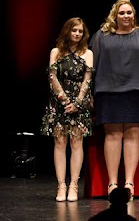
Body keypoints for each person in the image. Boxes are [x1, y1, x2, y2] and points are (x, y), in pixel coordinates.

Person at [90, 0, 139, 200]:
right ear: (115, 15)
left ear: (134, 15)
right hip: (108, 92)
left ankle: (129, 183)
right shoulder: (101, 37)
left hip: (136, 91)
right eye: (122, 13)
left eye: (129, 12)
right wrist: (91, 94)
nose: (126, 16)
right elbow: (91, 67)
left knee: (131, 135)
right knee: (112, 136)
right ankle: (112, 183)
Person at [41, 17, 93, 202]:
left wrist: (77, 103)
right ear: (67, 31)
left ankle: (74, 186)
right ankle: (61, 185)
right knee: (60, 143)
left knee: (76, 144)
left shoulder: (88, 53)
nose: (77, 34)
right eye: (74, 30)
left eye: (80, 31)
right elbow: (52, 77)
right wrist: (64, 101)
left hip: (79, 104)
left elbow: (87, 81)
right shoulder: (56, 52)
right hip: (59, 102)